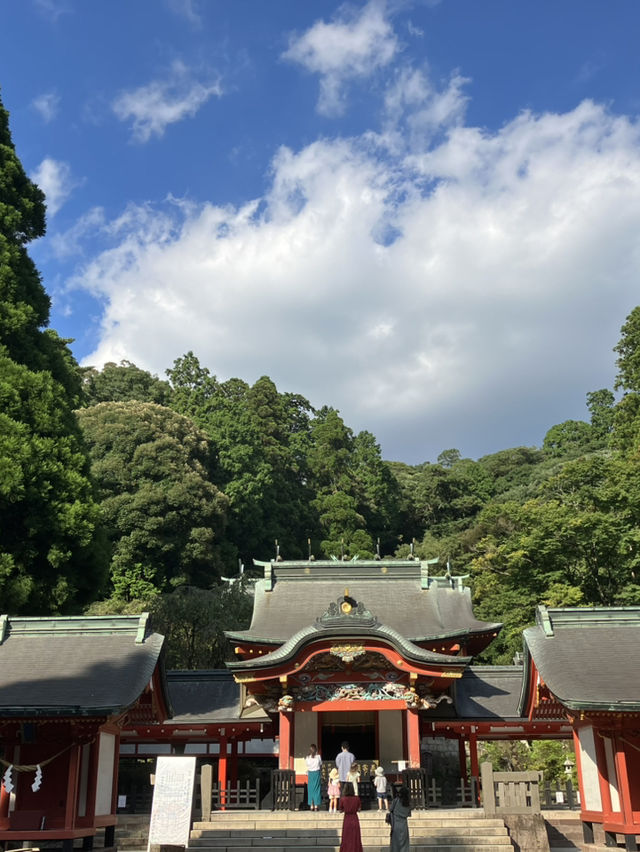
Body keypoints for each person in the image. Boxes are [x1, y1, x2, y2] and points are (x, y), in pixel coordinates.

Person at [339, 781, 363, 852]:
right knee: (355, 837)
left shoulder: (343, 799)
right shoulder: (357, 798)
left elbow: (340, 810)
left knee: (346, 837)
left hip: (347, 819)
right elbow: (359, 809)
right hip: (354, 818)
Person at [389, 785, 411, 852]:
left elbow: (390, 809)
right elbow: (408, 814)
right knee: (404, 844)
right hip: (404, 825)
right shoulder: (408, 803)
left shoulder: (396, 801)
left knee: (395, 844)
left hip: (395, 824)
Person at [305, 743, 322, 811]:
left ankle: (311, 805)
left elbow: (307, 765)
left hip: (310, 773)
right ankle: (316, 805)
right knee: (317, 789)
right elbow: (320, 764)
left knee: (310, 789)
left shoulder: (307, 758)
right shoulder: (318, 757)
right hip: (317, 772)